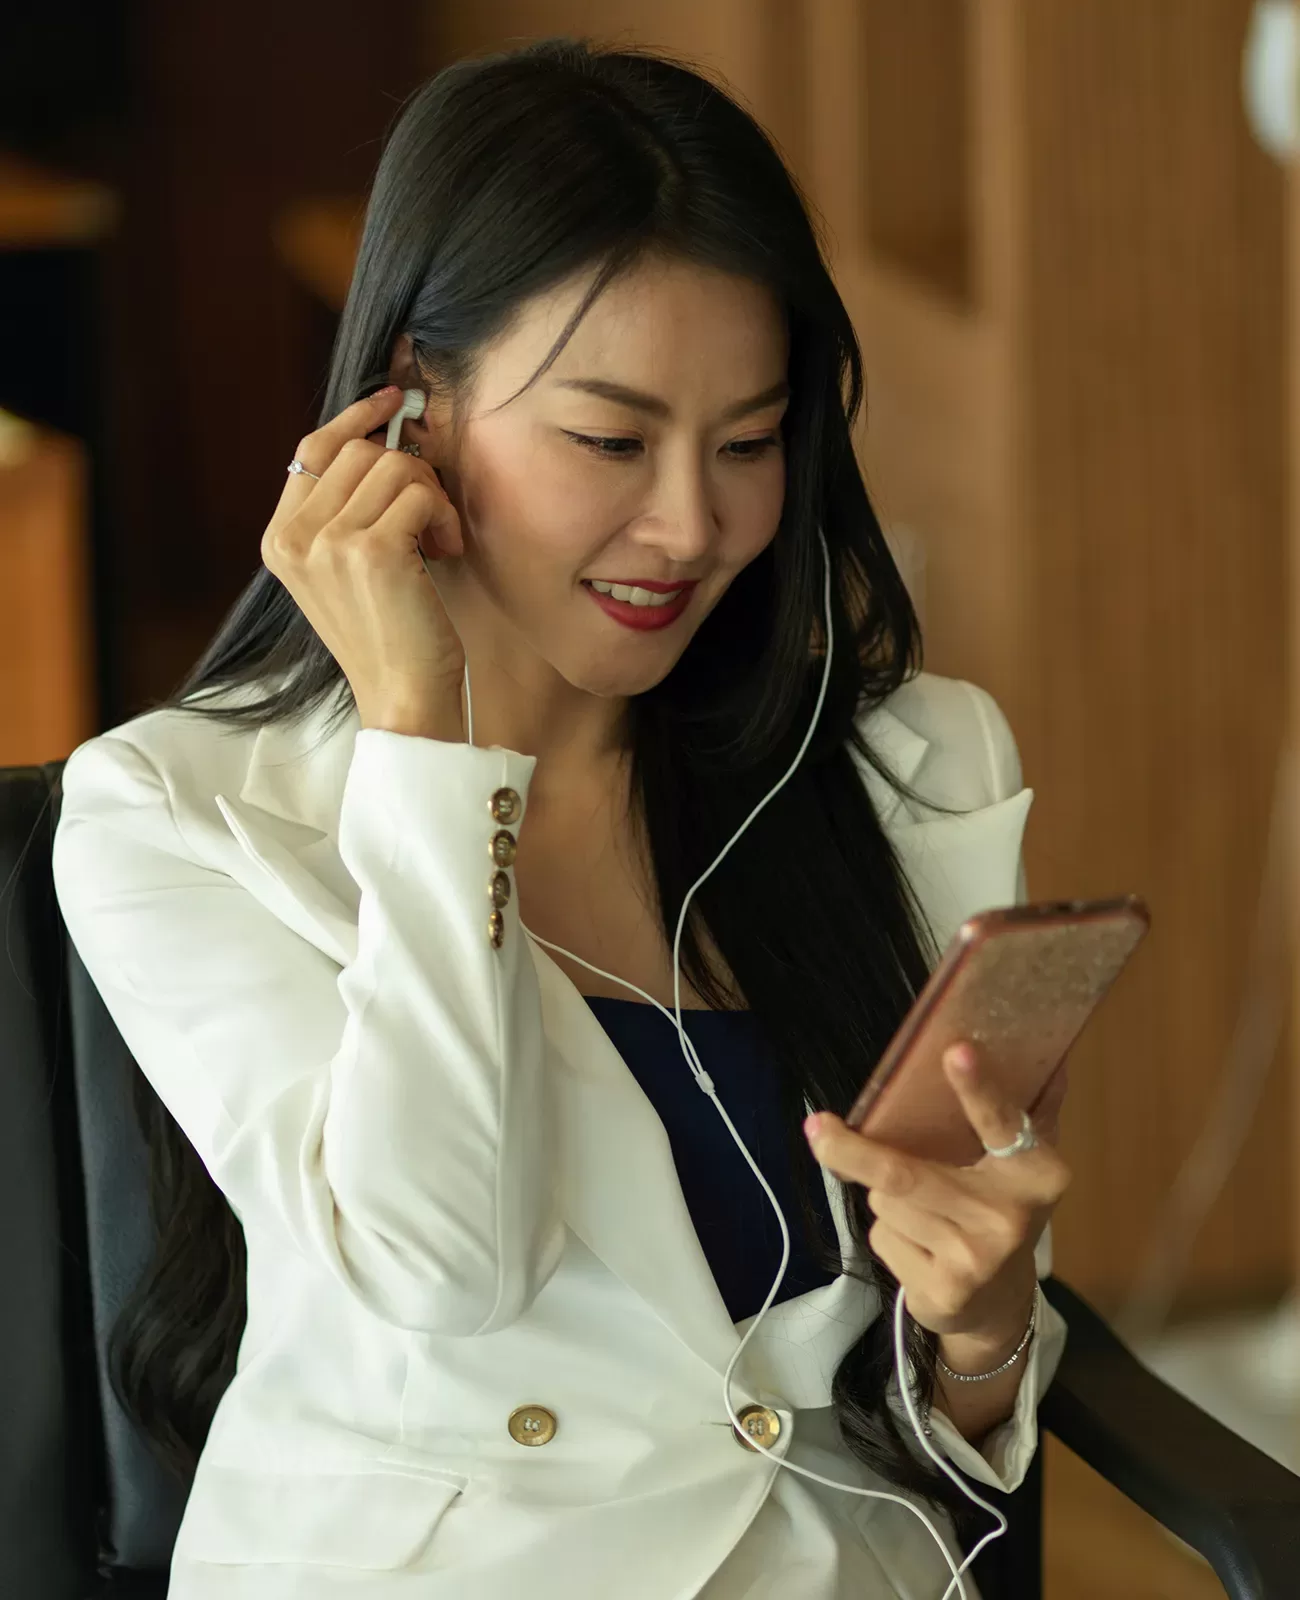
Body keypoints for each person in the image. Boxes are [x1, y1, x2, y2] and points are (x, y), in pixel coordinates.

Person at [52, 36, 1069, 1600]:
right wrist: (423, 733)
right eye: (610, 441)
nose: (693, 525)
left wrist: (986, 1342)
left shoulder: (902, 768)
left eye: (748, 443)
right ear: (412, 408)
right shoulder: (174, 818)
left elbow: (918, 1405)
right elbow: (443, 1271)